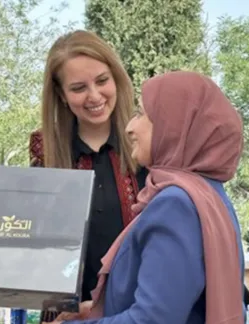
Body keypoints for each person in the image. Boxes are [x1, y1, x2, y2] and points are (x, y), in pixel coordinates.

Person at [47, 71, 246, 324]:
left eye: (142, 114)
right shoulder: (209, 194)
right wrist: (96, 309)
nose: (130, 127)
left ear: (173, 126)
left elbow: (152, 319)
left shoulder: (175, 204)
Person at [28, 30, 148, 320]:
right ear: (61, 94)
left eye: (102, 81)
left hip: (134, 314)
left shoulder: (146, 147)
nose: (94, 96)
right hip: (65, 317)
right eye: (79, 87)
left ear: (116, 78)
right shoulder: (44, 154)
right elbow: (37, 249)